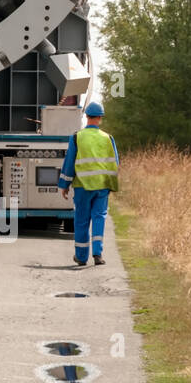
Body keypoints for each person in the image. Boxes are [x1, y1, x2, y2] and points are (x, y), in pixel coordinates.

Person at [58, 101, 120, 267]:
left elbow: (69, 162)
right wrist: (111, 185)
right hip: (102, 187)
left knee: (82, 221)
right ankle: (98, 254)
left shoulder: (77, 137)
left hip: (83, 187)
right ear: (100, 117)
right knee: (99, 218)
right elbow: (115, 163)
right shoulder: (108, 138)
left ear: (86, 117)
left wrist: (64, 184)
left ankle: (81, 257)